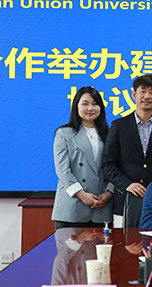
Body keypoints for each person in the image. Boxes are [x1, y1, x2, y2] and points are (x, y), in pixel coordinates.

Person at [102, 74, 152, 228]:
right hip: (124, 200)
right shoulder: (119, 125)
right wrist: (127, 184)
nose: (147, 96)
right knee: (124, 242)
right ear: (134, 95)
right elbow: (108, 164)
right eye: (143, 91)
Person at [51, 86, 113, 229]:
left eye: (95, 104)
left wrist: (109, 193)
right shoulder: (64, 133)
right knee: (68, 244)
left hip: (101, 206)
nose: (90, 108)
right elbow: (62, 170)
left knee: (103, 244)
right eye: (85, 104)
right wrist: (82, 195)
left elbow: (116, 166)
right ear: (76, 107)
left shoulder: (109, 133)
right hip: (73, 206)